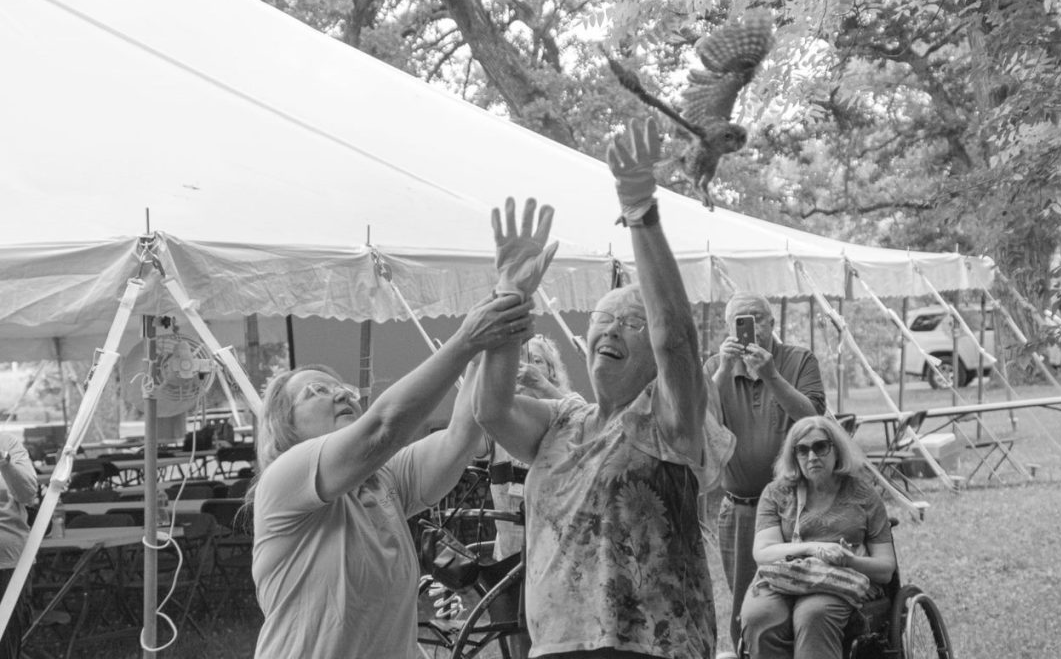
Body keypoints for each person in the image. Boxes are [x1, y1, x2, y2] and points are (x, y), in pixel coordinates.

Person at [249, 196, 558, 659]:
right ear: (284, 429)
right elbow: (385, 427)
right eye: (314, 391)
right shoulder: (287, 480)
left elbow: (461, 434)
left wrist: (507, 296)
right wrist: (468, 339)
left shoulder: (384, 480)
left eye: (341, 387)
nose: (340, 393)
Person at [473, 117, 734, 659]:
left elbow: (677, 340)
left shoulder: (670, 418)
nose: (611, 328)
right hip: (557, 646)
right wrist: (509, 297)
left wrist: (640, 210)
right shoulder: (561, 422)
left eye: (630, 322)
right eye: (602, 318)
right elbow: (490, 409)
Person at [704, 292, 826, 655]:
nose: (751, 326)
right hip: (741, 508)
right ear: (728, 329)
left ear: (773, 323)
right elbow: (702, 420)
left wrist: (771, 375)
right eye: (740, 320)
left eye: (757, 317)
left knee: (803, 599)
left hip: (799, 504)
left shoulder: (799, 359)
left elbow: (812, 419)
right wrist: (724, 371)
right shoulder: (714, 366)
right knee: (747, 605)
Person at [741, 415, 896, 658]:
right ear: (794, 456)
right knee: (759, 616)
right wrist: (813, 548)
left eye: (820, 447)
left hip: (839, 579)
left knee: (813, 614)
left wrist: (849, 560)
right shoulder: (777, 493)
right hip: (785, 577)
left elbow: (886, 568)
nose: (812, 456)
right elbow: (763, 552)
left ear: (837, 450)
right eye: (802, 450)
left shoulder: (863, 495)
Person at [489, 333, 581, 562]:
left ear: (551, 370)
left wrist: (539, 384)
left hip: (559, 550)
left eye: (537, 360)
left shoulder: (570, 402)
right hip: (510, 554)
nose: (526, 366)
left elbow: (586, 430)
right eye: (518, 359)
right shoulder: (499, 412)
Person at [0, 434, 39, 659]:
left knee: (6, 641)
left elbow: (28, 494)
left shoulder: (8, 444)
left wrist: (5, 463)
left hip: (10, 562)